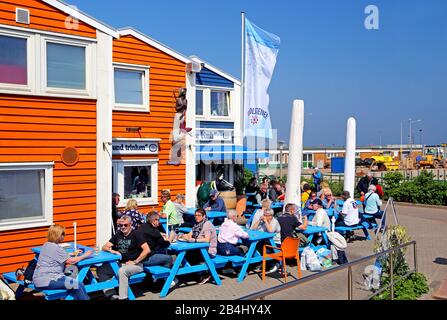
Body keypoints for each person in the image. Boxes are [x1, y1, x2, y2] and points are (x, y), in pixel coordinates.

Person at [32, 224, 92, 300]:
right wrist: (85, 255)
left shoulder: (46, 245)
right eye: (63, 233)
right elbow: (72, 261)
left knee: (79, 284)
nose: (64, 235)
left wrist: (71, 254)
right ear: (57, 235)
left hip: (41, 278)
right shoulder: (56, 248)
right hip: (47, 280)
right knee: (77, 285)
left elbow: (55, 255)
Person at [97, 216, 150, 300]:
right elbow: (105, 247)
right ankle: (111, 294)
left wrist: (135, 261)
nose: (123, 227)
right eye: (121, 225)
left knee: (122, 271)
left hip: (136, 265)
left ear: (130, 224)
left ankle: (123, 298)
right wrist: (112, 251)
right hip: (120, 263)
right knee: (101, 270)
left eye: (125, 225)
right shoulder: (118, 234)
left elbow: (147, 250)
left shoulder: (136, 234)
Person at [179, 209, 217, 284]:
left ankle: (204, 274)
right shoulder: (196, 224)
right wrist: (183, 236)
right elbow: (190, 234)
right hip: (199, 248)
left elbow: (207, 240)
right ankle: (196, 273)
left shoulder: (207, 224)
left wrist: (194, 240)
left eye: (199, 215)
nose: (196, 217)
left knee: (189, 255)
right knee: (185, 254)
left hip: (208, 251)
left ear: (204, 216)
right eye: (195, 215)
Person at [250, 208, 281, 273]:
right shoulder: (262, 221)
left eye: (266, 215)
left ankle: (274, 264)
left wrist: (266, 221)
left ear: (271, 216)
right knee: (254, 247)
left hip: (275, 242)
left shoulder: (275, 221)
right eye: (264, 214)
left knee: (266, 251)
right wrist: (259, 221)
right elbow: (253, 228)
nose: (264, 216)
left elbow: (271, 231)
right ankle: (257, 263)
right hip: (265, 240)